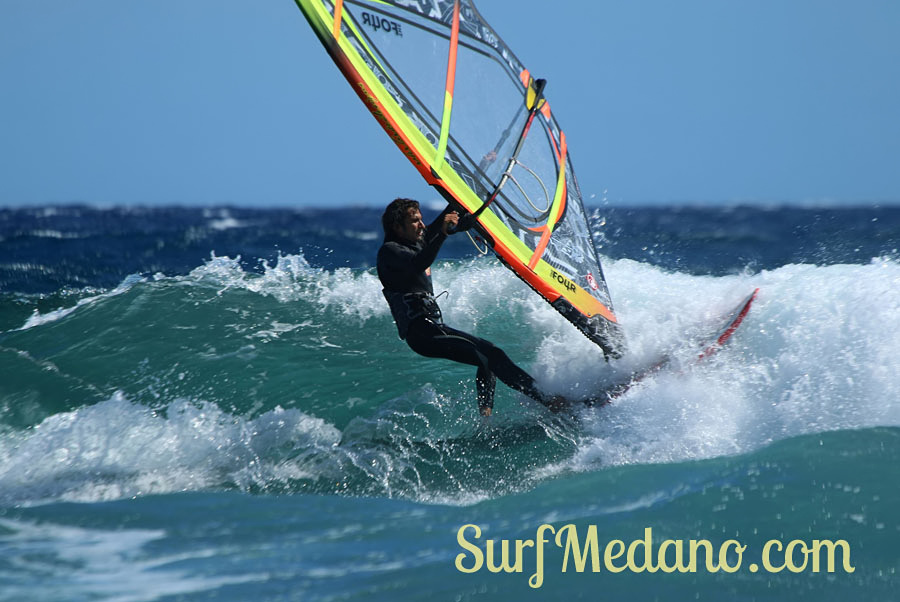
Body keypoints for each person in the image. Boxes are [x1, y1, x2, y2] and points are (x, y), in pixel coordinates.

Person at [376, 197, 564, 416]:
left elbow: (449, 211)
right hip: (422, 334)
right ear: (398, 227)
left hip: (433, 328)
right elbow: (419, 263)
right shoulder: (390, 251)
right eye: (415, 222)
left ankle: (486, 418)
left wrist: (483, 167)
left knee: (488, 356)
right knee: (490, 355)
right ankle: (549, 402)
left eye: (421, 220)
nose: (422, 226)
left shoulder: (416, 242)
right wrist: (444, 234)